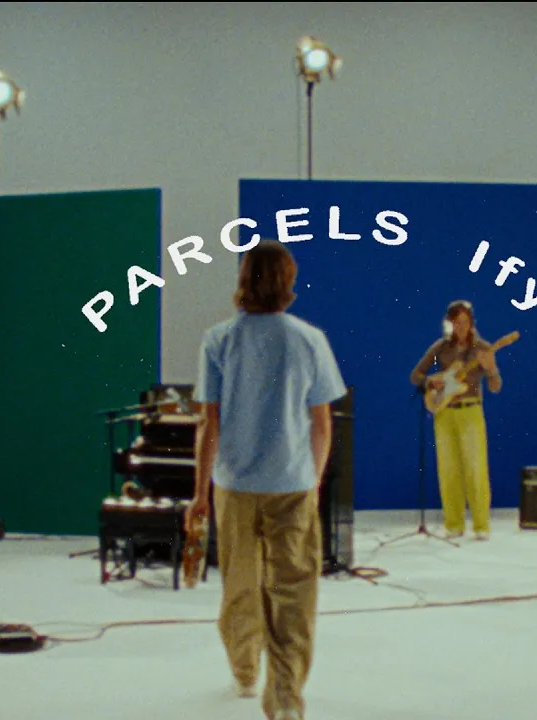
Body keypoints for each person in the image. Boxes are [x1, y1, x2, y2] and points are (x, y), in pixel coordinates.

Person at [186, 240, 346, 720]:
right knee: (293, 593)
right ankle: (286, 698)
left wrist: (199, 495)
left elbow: (209, 423)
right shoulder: (309, 339)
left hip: (234, 486)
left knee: (239, 585)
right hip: (292, 484)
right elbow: (322, 423)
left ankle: (244, 672)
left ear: (244, 280)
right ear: (288, 281)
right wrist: (313, 482)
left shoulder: (218, 339)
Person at [409, 300, 501, 540]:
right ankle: (453, 523)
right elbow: (415, 375)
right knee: (448, 469)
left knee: (475, 469)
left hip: (470, 410)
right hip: (444, 412)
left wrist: (491, 369)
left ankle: (481, 525)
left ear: (471, 323)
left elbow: (495, 386)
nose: (461, 327)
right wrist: (431, 381)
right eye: (456, 322)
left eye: (464, 322)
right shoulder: (440, 347)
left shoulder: (482, 348)